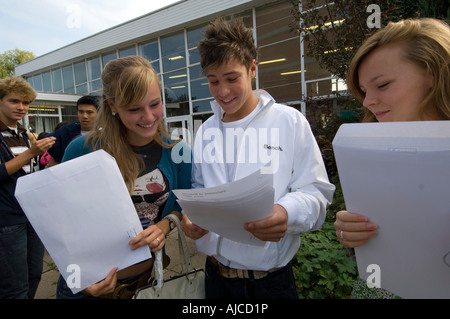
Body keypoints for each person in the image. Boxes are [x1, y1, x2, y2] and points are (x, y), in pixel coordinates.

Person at [181, 18, 335, 299]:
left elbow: (317, 193)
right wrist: (191, 218)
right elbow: (198, 189)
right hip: (216, 278)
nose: (222, 92)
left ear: (252, 68)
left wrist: (287, 213)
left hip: (270, 284)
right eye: (213, 81)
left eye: (231, 78)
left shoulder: (288, 122)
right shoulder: (205, 130)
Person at [55, 55, 192, 299]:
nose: (149, 117)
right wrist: (78, 276)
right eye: (134, 109)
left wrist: (165, 224)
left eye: (155, 104)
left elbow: (183, 205)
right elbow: (59, 221)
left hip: (147, 282)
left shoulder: (178, 152)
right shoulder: (82, 150)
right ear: (112, 106)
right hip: (87, 285)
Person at [334, 18, 450, 298]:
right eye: (364, 90)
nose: (367, 101)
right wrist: (352, 235)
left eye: (382, 84)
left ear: (433, 73)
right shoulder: (369, 150)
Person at [0, 77, 56, 298]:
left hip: (32, 215)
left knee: (34, 275)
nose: (21, 107)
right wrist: (30, 153)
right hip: (7, 220)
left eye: (26, 103)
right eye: (14, 101)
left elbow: (30, 171)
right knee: (14, 286)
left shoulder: (23, 134)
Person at [46, 95, 100, 166]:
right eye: (81, 112)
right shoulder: (65, 133)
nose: (84, 116)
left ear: (99, 113)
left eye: (89, 112)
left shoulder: (105, 134)